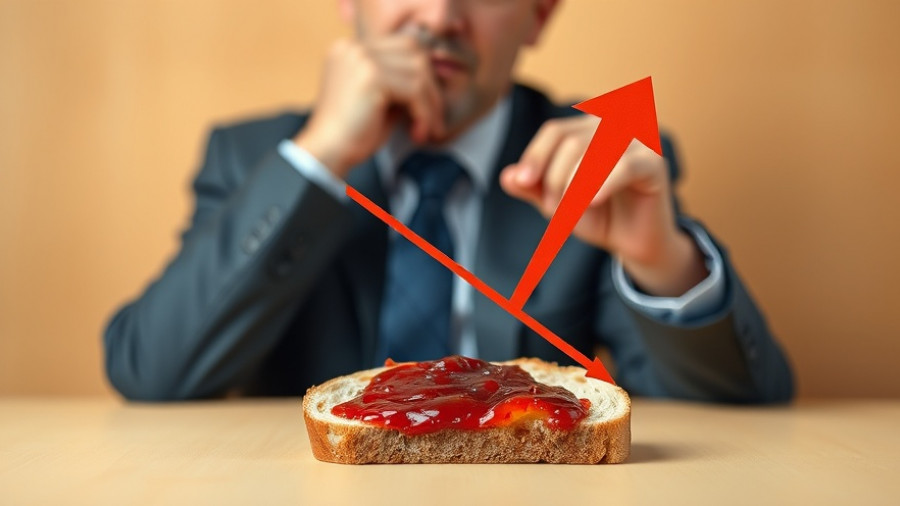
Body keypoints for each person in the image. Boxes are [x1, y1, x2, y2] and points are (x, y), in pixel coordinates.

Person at [104, 0, 793, 402]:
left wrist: (661, 260)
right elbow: (150, 372)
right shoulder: (257, 158)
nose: (438, 17)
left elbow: (745, 410)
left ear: (540, 14)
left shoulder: (597, 162)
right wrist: (319, 157)